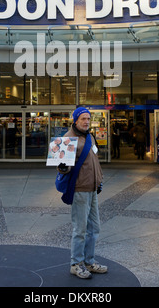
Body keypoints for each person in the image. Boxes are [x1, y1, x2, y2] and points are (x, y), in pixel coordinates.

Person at [57, 106, 108, 280]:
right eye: (83, 119)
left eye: (88, 118)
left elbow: (94, 161)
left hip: (93, 188)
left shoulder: (90, 137)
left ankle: (89, 261)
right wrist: (63, 167)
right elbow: (63, 166)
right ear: (76, 120)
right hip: (80, 189)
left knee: (94, 227)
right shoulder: (68, 138)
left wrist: (99, 180)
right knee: (80, 229)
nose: (86, 121)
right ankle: (75, 264)